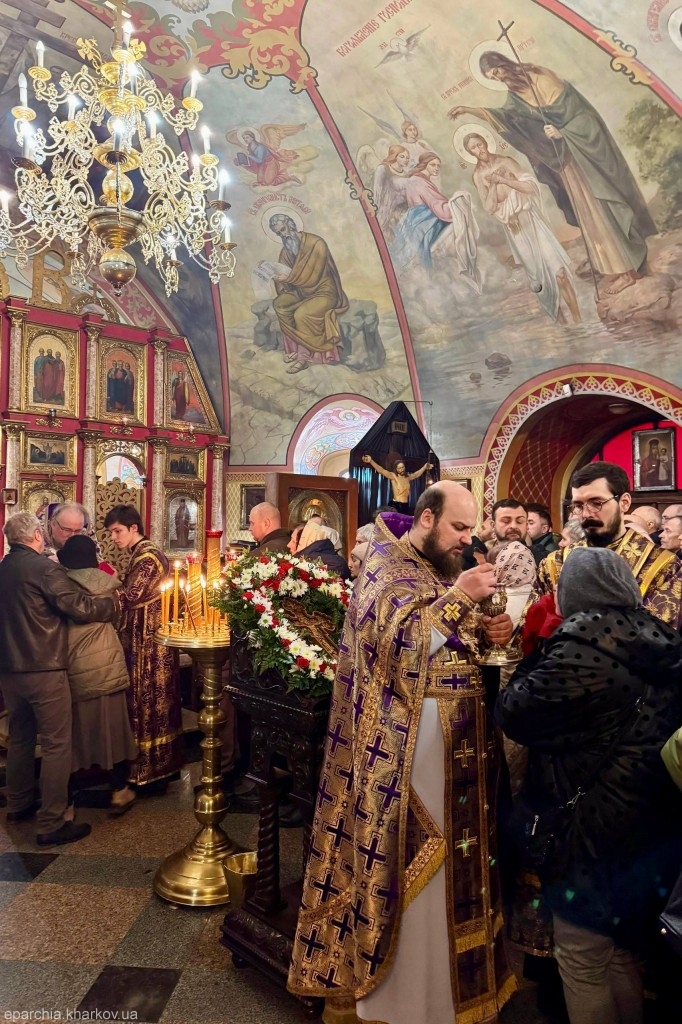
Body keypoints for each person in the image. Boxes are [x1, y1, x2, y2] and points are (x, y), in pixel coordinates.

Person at [288, 483, 517, 1021]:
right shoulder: (384, 566)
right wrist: (461, 597)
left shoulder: (439, 567)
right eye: (459, 527)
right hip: (407, 759)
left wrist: (495, 631)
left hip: (460, 756)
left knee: (458, 870)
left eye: (471, 529)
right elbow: (398, 648)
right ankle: (405, 1003)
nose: (467, 539)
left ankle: (453, 999)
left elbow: (460, 643)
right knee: (418, 869)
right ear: (428, 517)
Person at [497, 548, 682, 1024]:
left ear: (573, 593)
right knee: (620, 951)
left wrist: (534, 650)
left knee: (581, 960)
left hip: (586, 829)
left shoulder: (579, 647)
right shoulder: (661, 641)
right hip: (647, 823)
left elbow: (514, 712)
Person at [449, 52, 656, 296]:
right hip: (565, 162)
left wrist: (562, 131)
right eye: (493, 77)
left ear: (504, 64)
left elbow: (582, 116)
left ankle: (628, 270)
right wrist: (469, 110)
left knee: (600, 210)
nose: (498, 78)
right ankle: (615, 268)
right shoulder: (515, 96)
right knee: (589, 214)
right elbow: (506, 118)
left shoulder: (541, 77)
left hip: (583, 157)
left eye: (497, 72)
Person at [0, 512, 118, 846]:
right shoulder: (44, 569)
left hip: (9, 670)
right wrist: (110, 607)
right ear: (38, 535)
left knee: (21, 737)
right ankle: (51, 822)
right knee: (56, 743)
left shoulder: (3, 568)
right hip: (44, 668)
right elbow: (78, 607)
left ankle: (18, 804)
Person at [535, 462, 682, 628]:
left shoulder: (664, 566)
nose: (586, 514)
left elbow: (656, 634)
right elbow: (531, 630)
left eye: (596, 503)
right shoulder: (554, 563)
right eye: (578, 506)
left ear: (624, 502)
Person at [57, 536, 137, 816]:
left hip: (76, 664)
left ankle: (67, 797)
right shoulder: (109, 584)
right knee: (113, 729)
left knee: (73, 734)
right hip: (107, 662)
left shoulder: (62, 586)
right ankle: (119, 790)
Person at [104, 505, 183, 789]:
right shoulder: (141, 554)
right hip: (143, 636)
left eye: (117, 531)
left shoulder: (148, 558)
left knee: (148, 699)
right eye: (111, 533)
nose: (114, 537)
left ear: (133, 528)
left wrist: (103, 579)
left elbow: (129, 596)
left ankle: (150, 769)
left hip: (149, 642)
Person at [464, 133, 580, 323]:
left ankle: (578, 320)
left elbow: (531, 188)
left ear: (485, 142)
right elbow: (489, 207)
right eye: (473, 148)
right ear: (470, 153)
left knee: (560, 274)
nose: (479, 150)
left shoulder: (506, 162)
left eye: (479, 144)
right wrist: (492, 184)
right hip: (515, 230)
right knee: (541, 281)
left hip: (531, 221)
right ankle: (563, 325)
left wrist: (505, 181)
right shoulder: (478, 176)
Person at [269, 213, 349, 375]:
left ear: (291, 224)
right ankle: (294, 349)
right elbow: (284, 277)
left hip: (324, 291)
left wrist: (288, 278)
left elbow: (314, 275)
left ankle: (304, 358)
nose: (283, 235)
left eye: (283, 229)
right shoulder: (286, 251)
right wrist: (280, 280)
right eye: (278, 233)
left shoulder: (316, 243)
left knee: (302, 314)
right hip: (301, 291)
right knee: (280, 304)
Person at [362, 453, 433, 514]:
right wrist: (371, 461)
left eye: (403, 467)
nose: (402, 469)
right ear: (396, 469)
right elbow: (381, 470)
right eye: (399, 468)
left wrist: (424, 467)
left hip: (405, 505)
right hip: (396, 505)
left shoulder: (407, 477)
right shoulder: (393, 476)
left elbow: (416, 474)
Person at [373, 144, 409, 240]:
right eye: (402, 156)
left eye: (407, 158)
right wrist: (376, 211)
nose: (406, 159)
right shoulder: (383, 169)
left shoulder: (406, 175)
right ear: (394, 156)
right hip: (385, 210)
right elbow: (377, 192)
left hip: (400, 213)